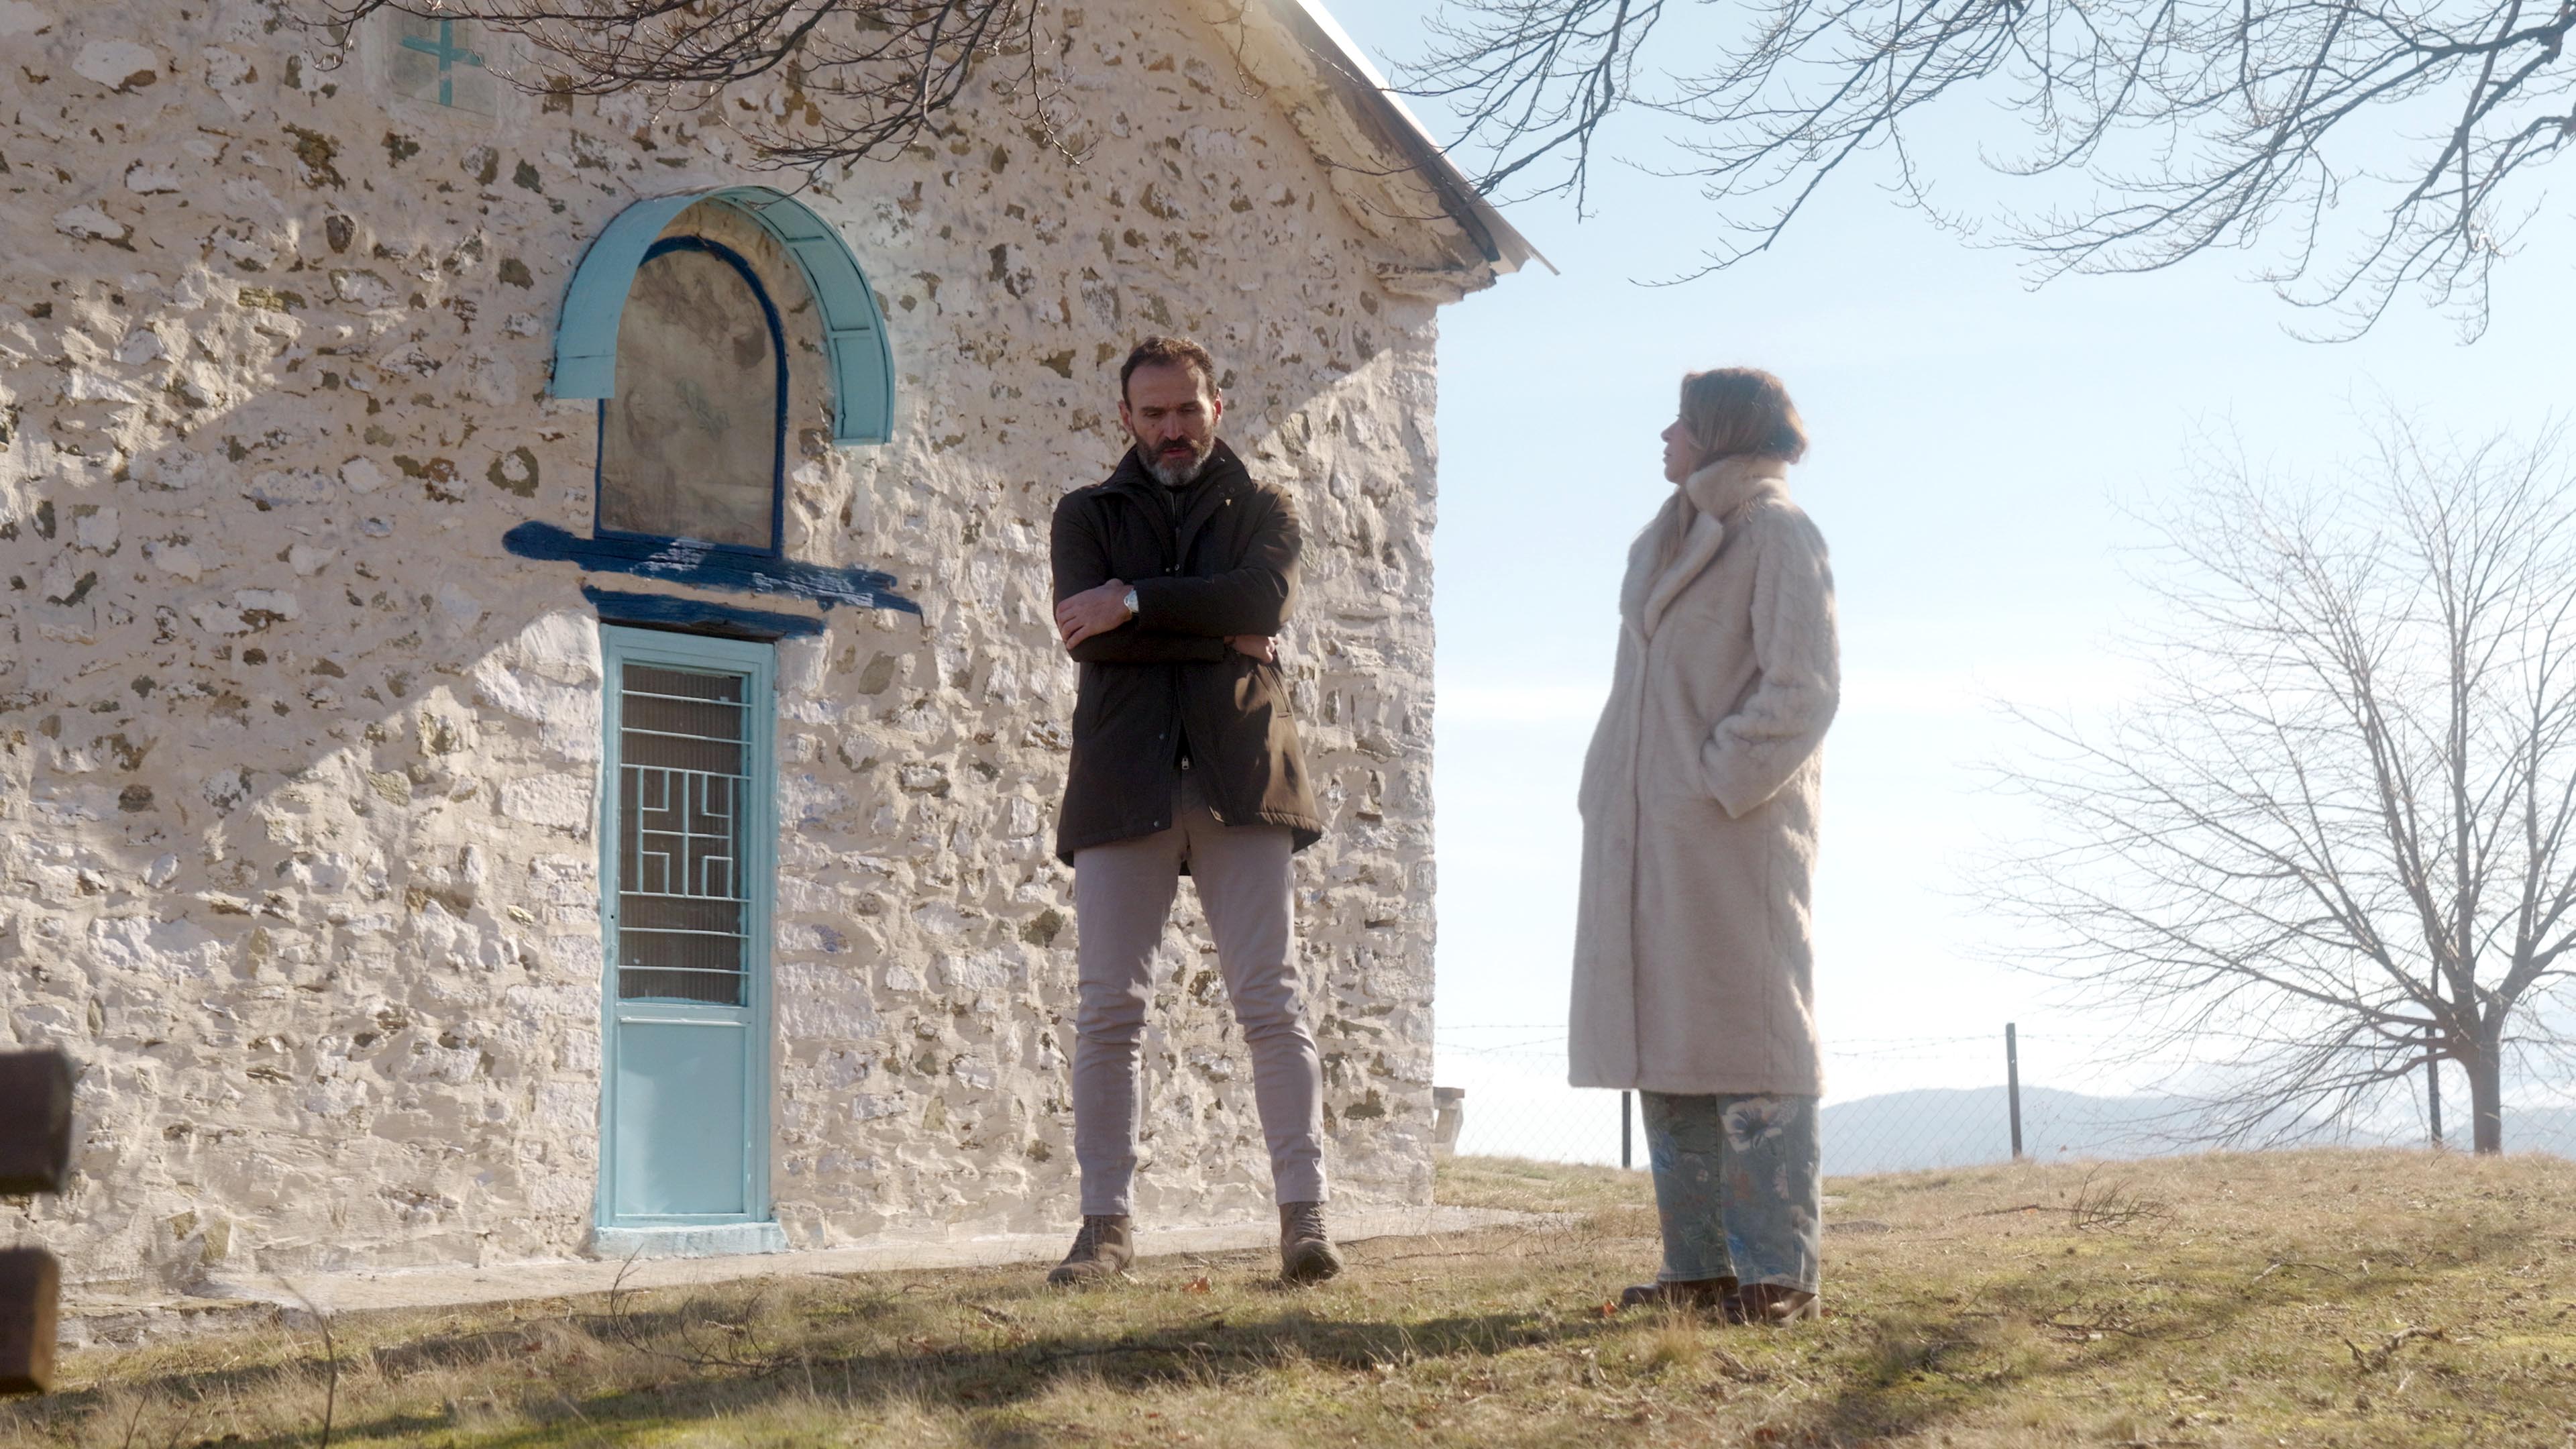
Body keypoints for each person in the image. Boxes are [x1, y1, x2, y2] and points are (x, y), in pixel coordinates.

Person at [1044, 335, 1339, 1287]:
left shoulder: (1268, 509)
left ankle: (1305, 1221)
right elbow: (1086, 638)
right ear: (1125, 418)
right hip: (1120, 781)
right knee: (1109, 1011)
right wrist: (1221, 634)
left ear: (1218, 407)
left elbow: (1267, 600)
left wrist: (1131, 599)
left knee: (1271, 1001)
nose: (1172, 429)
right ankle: (1105, 1230)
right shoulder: (1084, 514)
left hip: (1242, 777)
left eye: (1186, 409)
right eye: (1154, 413)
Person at [1568, 368, 1840, 1323]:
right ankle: (1698, 1269)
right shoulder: (1672, 537)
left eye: (1681, 420)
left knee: (1755, 1040)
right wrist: (1615, 789)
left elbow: (1803, 688)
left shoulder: (1779, 533)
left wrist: (1714, 781)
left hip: (1735, 833)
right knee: (1669, 1037)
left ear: (1719, 432)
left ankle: (1778, 1277)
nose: (1665, 435)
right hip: (1648, 832)